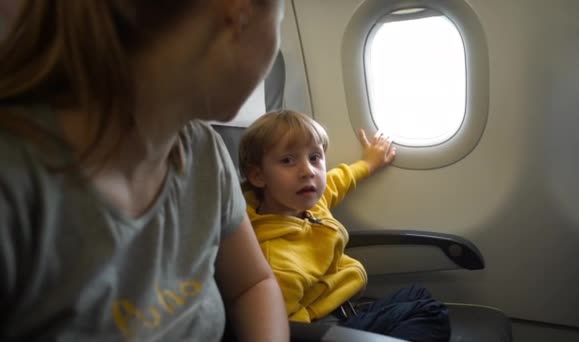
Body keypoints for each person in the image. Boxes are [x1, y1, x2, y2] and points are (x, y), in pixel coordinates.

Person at [0, 1, 289, 341]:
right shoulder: (15, 183)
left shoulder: (203, 152)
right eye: (279, 21)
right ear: (236, 15)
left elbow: (253, 284)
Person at [239, 110, 450, 341]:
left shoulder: (307, 203)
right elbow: (282, 326)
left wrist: (369, 163)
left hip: (346, 308)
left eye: (314, 157)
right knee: (431, 313)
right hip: (325, 329)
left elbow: (340, 179)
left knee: (418, 293)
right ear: (258, 176)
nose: (308, 171)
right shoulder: (276, 257)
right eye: (287, 160)